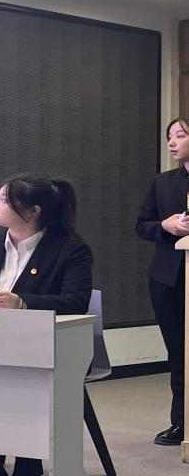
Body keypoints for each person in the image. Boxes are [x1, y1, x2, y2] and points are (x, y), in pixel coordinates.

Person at [0, 174, 93, 476]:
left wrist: (22, 302)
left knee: (10, 388)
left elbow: (75, 302)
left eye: (4, 200)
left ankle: (28, 463)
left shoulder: (70, 250)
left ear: (32, 211)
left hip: (39, 352)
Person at [136, 116, 189, 447]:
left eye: (180, 135)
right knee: (178, 352)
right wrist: (165, 226)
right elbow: (141, 224)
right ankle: (182, 422)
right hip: (168, 277)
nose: (171, 142)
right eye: (170, 136)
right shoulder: (163, 182)